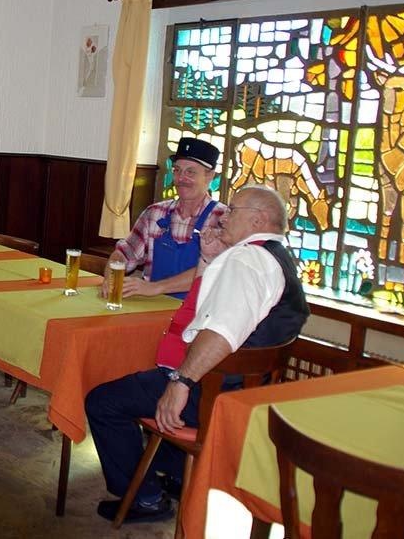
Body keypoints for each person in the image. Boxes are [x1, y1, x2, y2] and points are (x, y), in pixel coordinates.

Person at [85, 186, 309, 524]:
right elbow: (210, 306)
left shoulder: (247, 260)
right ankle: (177, 476)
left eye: (233, 210)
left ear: (259, 219)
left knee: (103, 401)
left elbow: (222, 332)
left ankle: (144, 498)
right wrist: (207, 259)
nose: (225, 216)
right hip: (247, 392)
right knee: (140, 385)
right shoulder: (275, 257)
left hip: (214, 394)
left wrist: (180, 383)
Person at [105, 137, 229, 299]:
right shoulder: (154, 213)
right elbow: (125, 253)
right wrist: (111, 277)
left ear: (210, 176)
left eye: (190, 172)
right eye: (177, 170)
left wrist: (155, 287)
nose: (181, 178)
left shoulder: (224, 219)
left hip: (199, 310)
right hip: (153, 307)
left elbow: (215, 269)